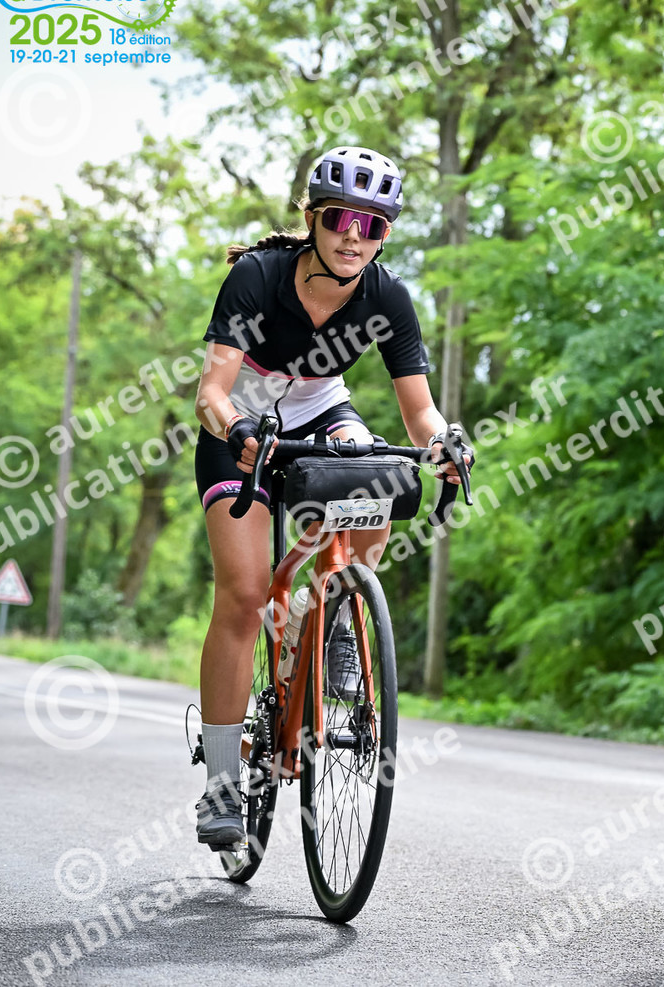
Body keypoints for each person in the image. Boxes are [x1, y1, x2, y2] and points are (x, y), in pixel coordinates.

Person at [190, 145, 470, 847]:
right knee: (246, 594)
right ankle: (222, 784)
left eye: (373, 225)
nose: (354, 236)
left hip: (322, 412)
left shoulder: (387, 297)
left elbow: (419, 412)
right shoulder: (258, 276)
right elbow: (211, 393)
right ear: (312, 217)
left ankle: (337, 612)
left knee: (382, 472)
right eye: (342, 218)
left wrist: (444, 443)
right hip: (242, 422)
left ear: (385, 235)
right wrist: (237, 428)